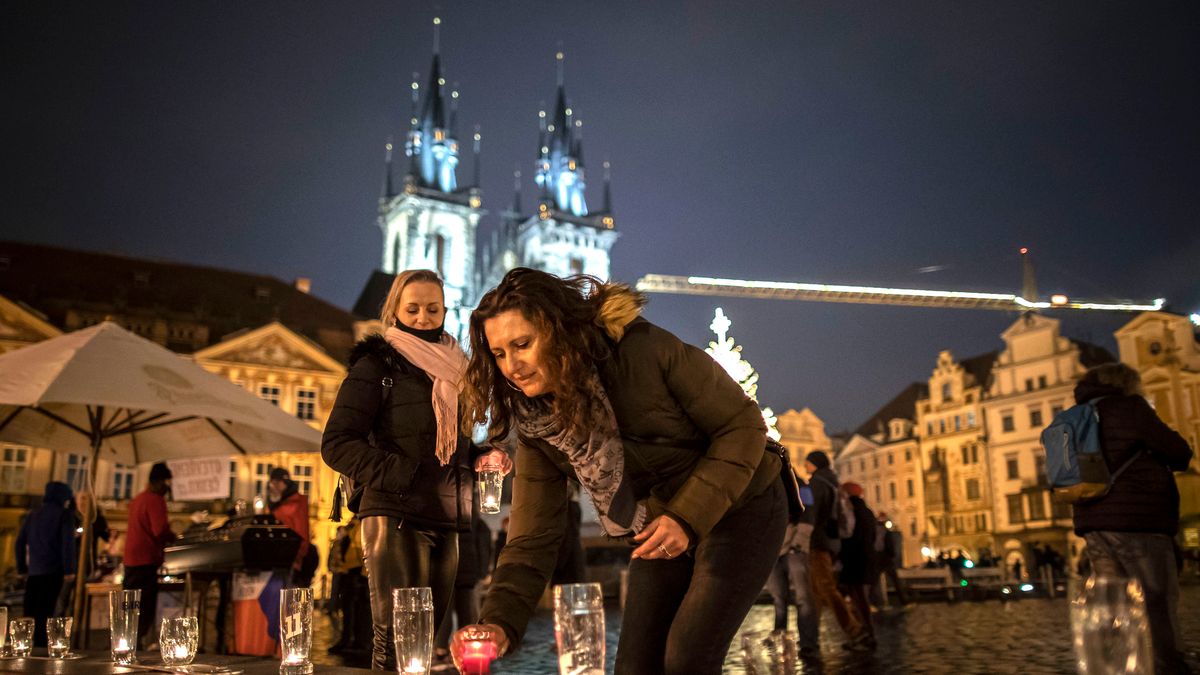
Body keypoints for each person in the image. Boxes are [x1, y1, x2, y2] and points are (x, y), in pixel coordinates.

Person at [452, 268, 787, 674]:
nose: (512, 366)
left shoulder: (641, 350)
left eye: (522, 344)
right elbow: (532, 538)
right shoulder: (538, 425)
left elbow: (743, 425)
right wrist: (498, 622)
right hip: (660, 522)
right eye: (499, 353)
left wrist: (686, 517)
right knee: (634, 666)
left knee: (687, 654)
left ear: (558, 330)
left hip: (744, 505)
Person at [322, 269, 495, 671]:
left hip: (449, 516)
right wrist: (405, 474)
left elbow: (455, 446)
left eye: (432, 308)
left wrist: (483, 456)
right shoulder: (377, 363)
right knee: (397, 637)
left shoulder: (460, 370)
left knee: (425, 641)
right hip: (394, 513)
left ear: (446, 310)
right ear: (394, 310)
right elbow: (337, 444)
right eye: (412, 308)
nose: (422, 317)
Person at [1071, 362, 1194, 674]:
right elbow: (1179, 452)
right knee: (1156, 599)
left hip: (1094, 522)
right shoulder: (1131, 408)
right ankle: (1167, 665)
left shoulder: (1077, 417)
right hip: (1139, 521)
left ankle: (1117, 663)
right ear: (1127, 383)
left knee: (1110, 600)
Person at [805, 450, 870, 652]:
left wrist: (803, 533)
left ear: (814, 463)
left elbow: (811, 513)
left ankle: (856, 630)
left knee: (825, 588)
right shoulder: (833, 482)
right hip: (833, 541)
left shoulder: (817, 483)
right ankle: (810, 637)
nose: (805, 465)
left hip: (818, 541)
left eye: (807, 462)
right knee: (816, 591)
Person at [15, 481, 77, 647]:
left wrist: (21, 568)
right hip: (53, 571)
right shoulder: (64, 515)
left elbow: (20, 542)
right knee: (47, 613)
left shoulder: (33, 515)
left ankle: (26, 646)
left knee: (30, 613)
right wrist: (70, 569)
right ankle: (41, 649)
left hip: (34, 572)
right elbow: (67, 544)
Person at [124, 462, 176, 648]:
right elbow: (159, 529)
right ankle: (137, 644)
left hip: (131, 560)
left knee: (130, 605)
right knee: (144, 606)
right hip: (145, 559)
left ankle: (128, 641)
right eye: (168, 482)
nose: (169, 487)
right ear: (161, 481)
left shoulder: (138, 498)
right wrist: (173, 536)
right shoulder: (155, 500)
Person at [764, 485, 819, 658]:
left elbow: (809, 515)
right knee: (778, 598)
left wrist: (798, 544)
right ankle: (779, 636)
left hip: (794, 549)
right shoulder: (767, 485)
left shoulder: (801, 487)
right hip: (774, 549)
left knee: (803, 597)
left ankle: (808, 642)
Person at [838, 482, 877, 646]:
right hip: (866, 559)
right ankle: (864, 633)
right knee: (860, 597)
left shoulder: (851, 511)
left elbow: (847, 536)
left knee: (858, 599)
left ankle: (866, 633)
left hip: (853, 560)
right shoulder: (868, 512)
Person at [267, 467, 316, 587]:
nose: (275, 487)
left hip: (290, 559)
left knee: (287, 596)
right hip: (281, 558)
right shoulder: (284, 503)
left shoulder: (293, 504)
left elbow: (300, 533)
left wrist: (297, 556)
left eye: (278, 483)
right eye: (273, 483)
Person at [328, 518, 369, 654]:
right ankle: (349, 639)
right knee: (349, 609)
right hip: (350, 573)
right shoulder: (352, 526)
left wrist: (362, 573)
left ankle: (359, 641)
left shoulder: (360, 526)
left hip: (357, 573)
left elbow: (361, 550)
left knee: (358, 610)